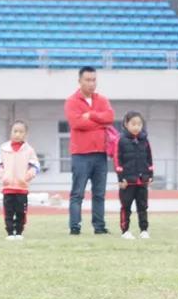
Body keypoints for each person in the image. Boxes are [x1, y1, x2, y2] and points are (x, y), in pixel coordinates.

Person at [65, 66, 115, 235]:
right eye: (87, 80)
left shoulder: (102, 100)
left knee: (99, 193)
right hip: (80, 155)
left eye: (94, 80)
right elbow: (76, 123)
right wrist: (100, 123)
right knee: (77, 193)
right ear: (79, 81)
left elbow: (110, 118)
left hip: (100, 153)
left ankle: (99, 226)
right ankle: (75, 226)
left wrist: (91, 115)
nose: (91, 83)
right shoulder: (72, 101)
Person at [0, 120, 40, 240]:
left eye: (21, 132)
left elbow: (35, 166)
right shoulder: (4, 149)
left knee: (21, 211)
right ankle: (10, 232)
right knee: (8, 211)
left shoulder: (29, 150)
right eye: (15, 131)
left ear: (25, 134)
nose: (17, 134)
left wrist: (27, 176)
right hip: (8, 187)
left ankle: (19, 232)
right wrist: (3, 176)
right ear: (11, 132)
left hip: (22, 188)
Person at [116, 111, 153, 240]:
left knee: (143, 207)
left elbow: (149, 159)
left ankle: (144, 230)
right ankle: (125, 231)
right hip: (127, 181)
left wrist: (150, 175)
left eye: (139, 124)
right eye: (133, 124)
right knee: (126, 207)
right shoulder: (121, 140)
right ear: (126, 124)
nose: (136, 127)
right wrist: (121, 178)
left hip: (142, 180)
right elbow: (117, 160)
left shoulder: (145, 140)